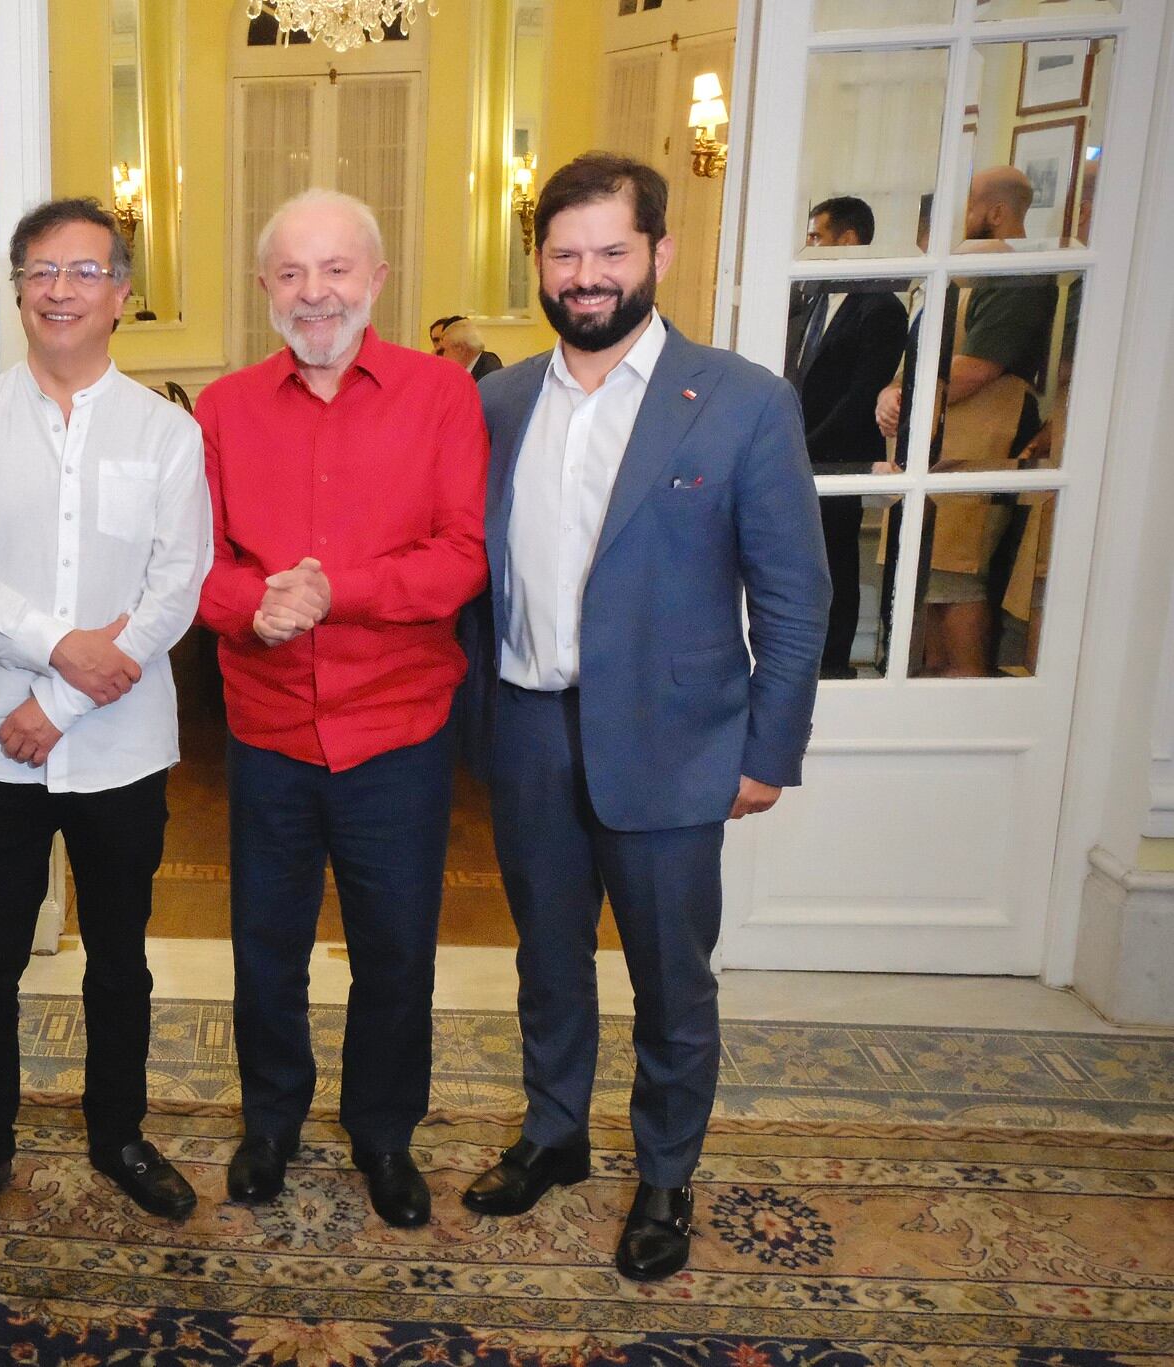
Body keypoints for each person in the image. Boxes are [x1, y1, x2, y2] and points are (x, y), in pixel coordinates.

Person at [458, 153, 828, 1281]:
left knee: (671, 976)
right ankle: (553, 1132)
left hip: (676, 746)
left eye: (610, 251)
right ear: (539, 264)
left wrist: (768, 747)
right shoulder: (498, 400)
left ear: (658, 255)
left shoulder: (741, 400)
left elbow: (795, 593)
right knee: (547, 956)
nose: (585, 275)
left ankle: (665, 1172)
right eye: (564, 253)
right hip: (525, 726)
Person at [0, 197, 211, 1237]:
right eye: (41, 270)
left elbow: (175, 590)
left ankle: (118, 1132)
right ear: (18, 288)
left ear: (121, 292)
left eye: (85, 271)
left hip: (119, 746)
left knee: (119, 954)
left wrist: (61, 697)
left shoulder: (167, 434)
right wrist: (56, 643)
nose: (61, 290)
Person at [197, 189, 489, 1228]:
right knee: (265, 945)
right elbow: (199, 563)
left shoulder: (443, 397)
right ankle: (270, 1120)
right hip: (267, 727)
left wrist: (335, 592)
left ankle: (381, 1130)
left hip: (397, 728)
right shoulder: (221, 409)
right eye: (290, 272)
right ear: (264, 287)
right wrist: (250, 603)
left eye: (334, 270)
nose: (313, 293)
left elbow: (461, 556)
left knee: (395, 947)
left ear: (377, 280)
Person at [874, 167, 1056, 676]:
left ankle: (965, 686)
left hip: (974, 447)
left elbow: (976, 369)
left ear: (996, 213)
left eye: (969, 205)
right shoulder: (952, 274)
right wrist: (889, 395)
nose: (956, 218)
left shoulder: (1015, 275)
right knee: (925, 576)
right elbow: (912, 361)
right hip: (924, 448)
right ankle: (929, 678)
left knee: (957, 576)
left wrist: (907, 395)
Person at [786, 195, 907, 677]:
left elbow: (860, 396)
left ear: (849, 239)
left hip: (838, 457)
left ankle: (833, 665)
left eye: (817, 235)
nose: (809, 245)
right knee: (796, 564)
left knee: (835, 563)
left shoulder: (881, 308)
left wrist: (806, 445)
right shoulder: (811, 297)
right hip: (795, 451)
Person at [437, 316, 506, 381]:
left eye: (446, 350)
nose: (444, 355)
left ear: (460, 348)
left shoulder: (487, 375)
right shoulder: (476, 365)